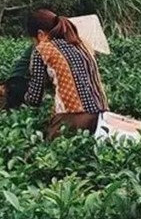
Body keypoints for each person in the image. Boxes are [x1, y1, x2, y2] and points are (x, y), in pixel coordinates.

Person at [24, 9, 109, 140]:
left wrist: (19, 101)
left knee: (44, 154)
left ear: (40, 34)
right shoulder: (82, 44)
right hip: (101, 115)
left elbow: (35, 97)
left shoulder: (43, 49)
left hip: (72, 118)